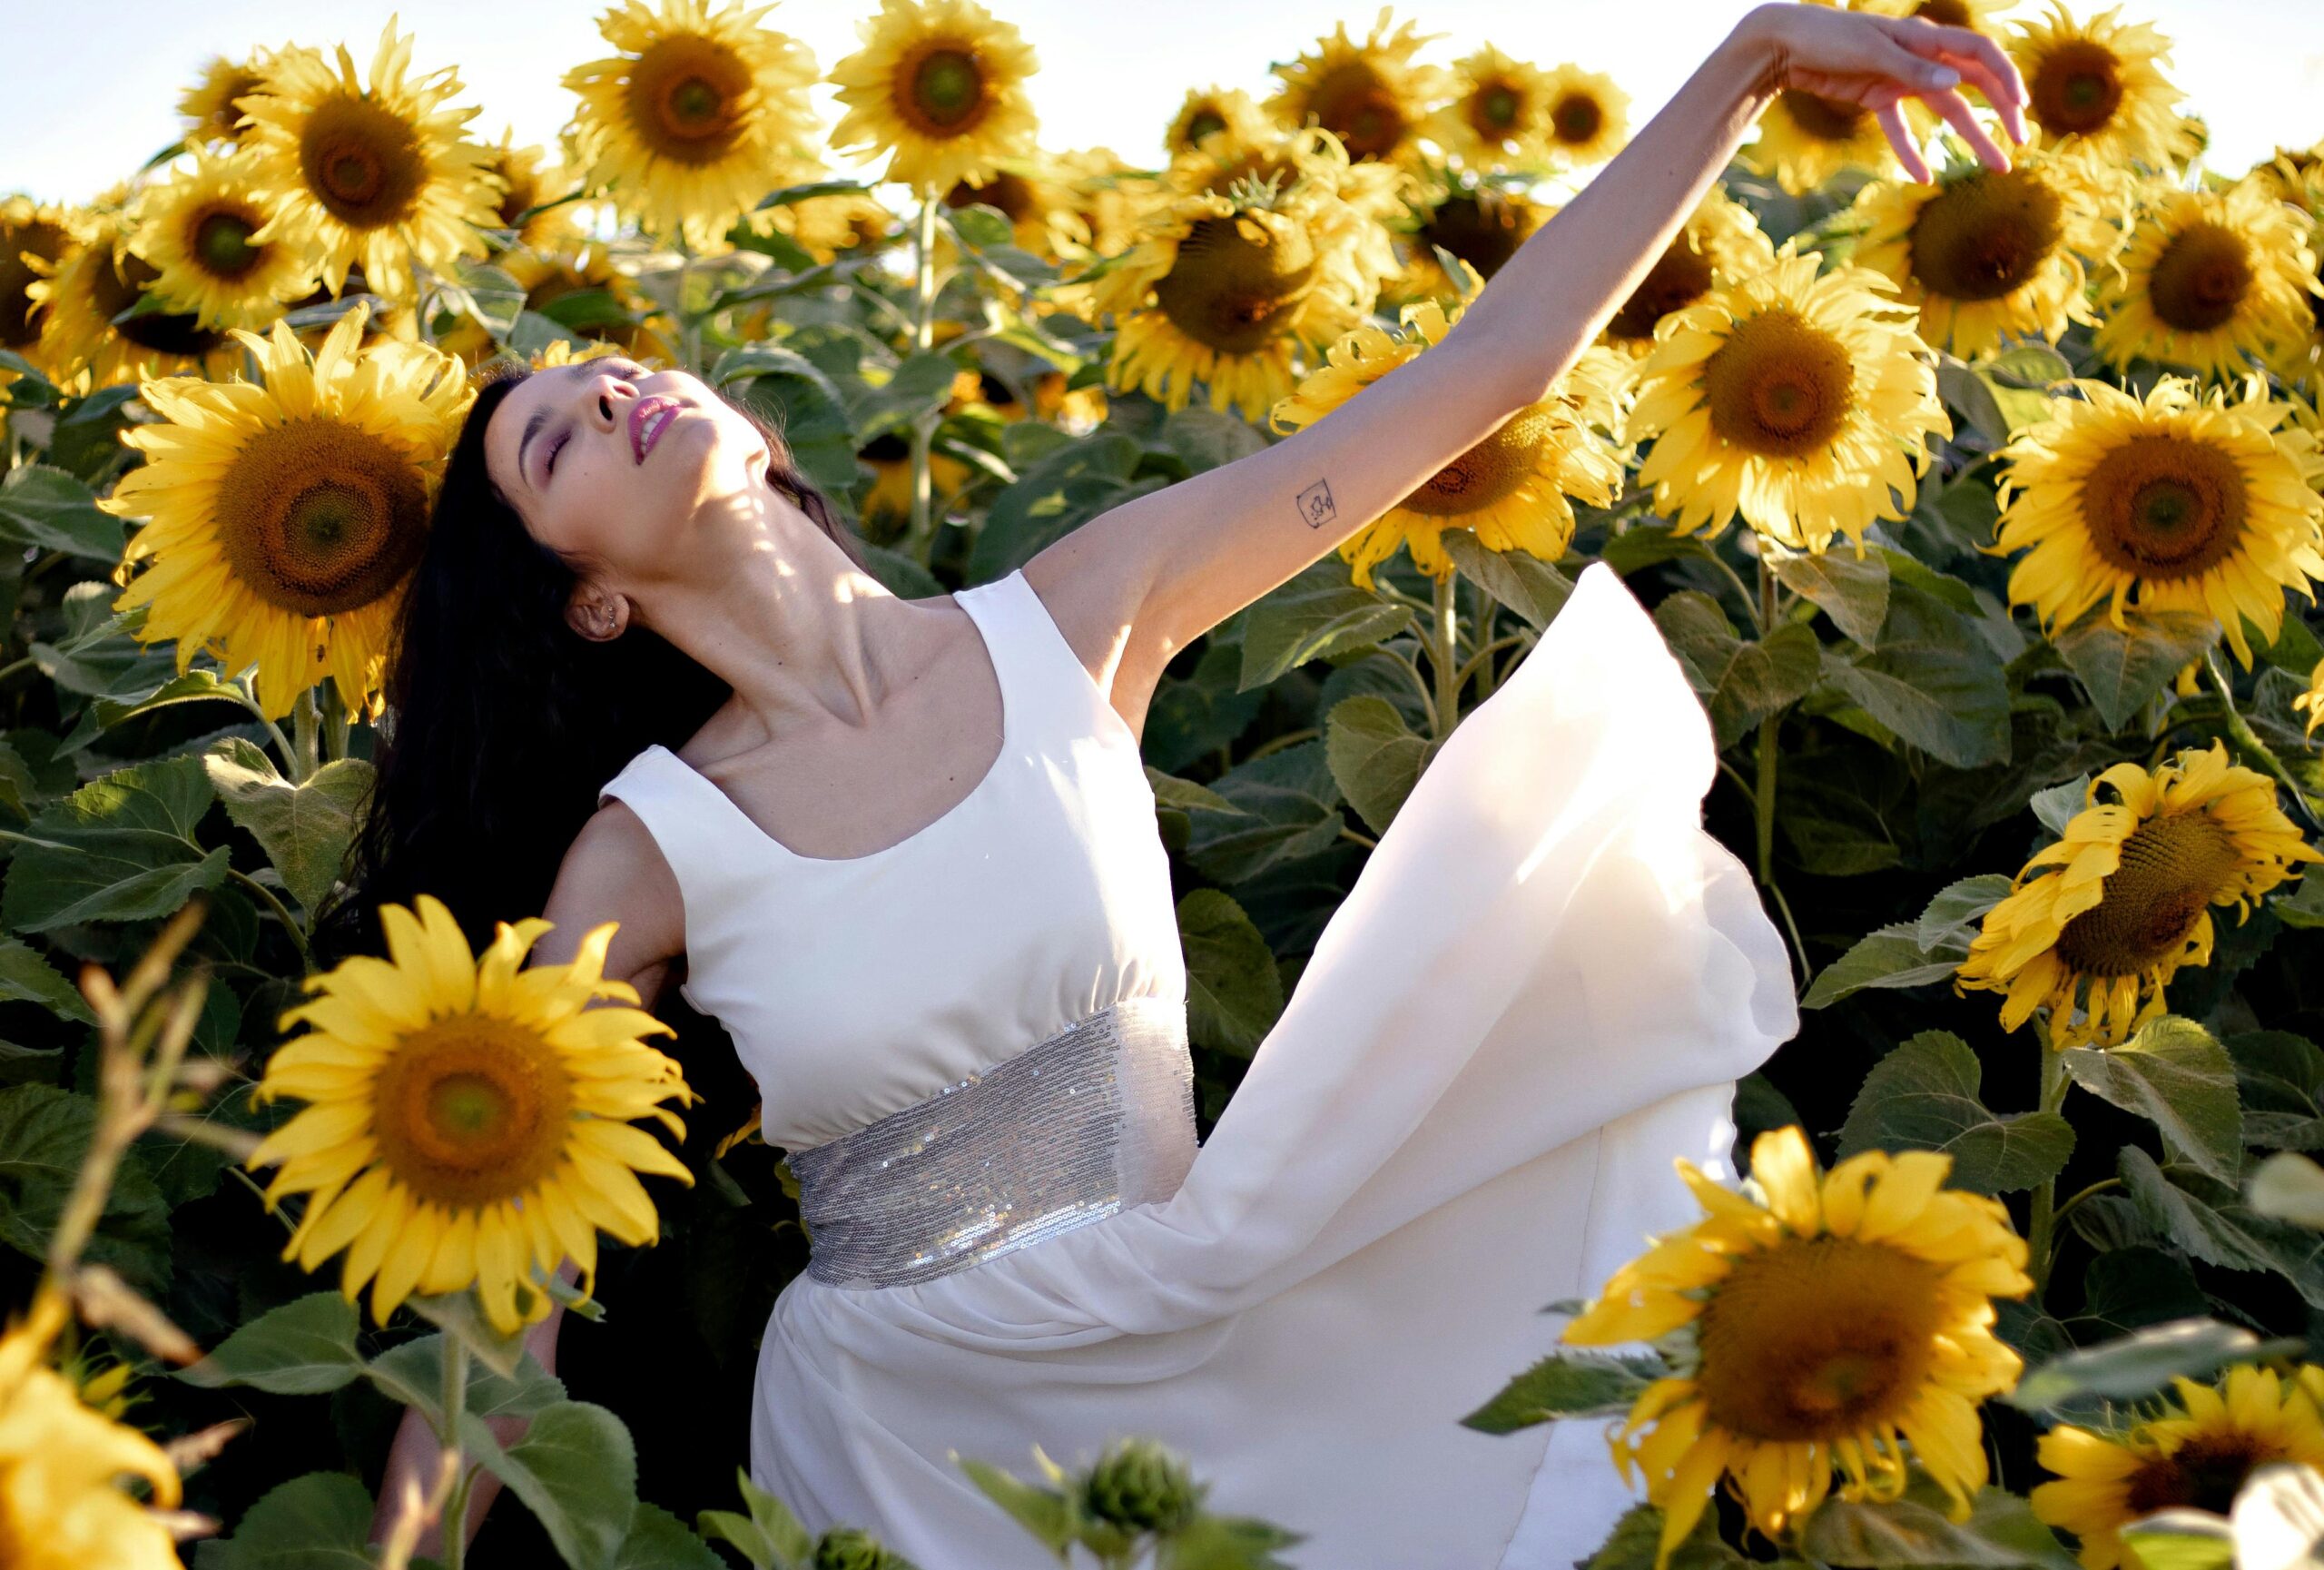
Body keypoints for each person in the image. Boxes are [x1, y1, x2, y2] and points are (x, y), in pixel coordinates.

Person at [348, 5, 2028, 1564]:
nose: (611, 391)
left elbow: (1483, 376)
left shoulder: (1073, 621)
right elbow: (510, 1314)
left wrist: (1743, 63)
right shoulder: (641, 858)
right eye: (552, 440)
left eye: (613, 369)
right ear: (585, 595)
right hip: (908, 1457)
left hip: (1224, 1346)